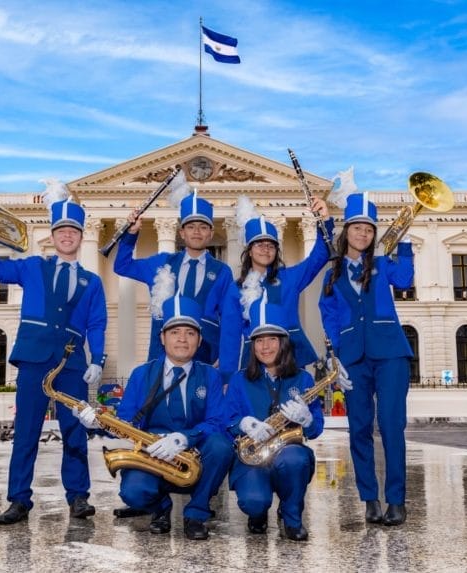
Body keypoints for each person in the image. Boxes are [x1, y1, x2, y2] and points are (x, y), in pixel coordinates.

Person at [0, 183, 107, 525]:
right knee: (26, 431)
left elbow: (97, 323)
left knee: (75, 432)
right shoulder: (33, 266)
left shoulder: (92, 282)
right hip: (34, 358)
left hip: (71, 363)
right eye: (61, 230)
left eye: (73, 231)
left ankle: (78, 497)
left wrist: (98, 360)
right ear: (52, 236)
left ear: (81, 237)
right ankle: (18, 500)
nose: (67, 235)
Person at [76, 295, 234, 540]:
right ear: (162, 337)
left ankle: (196, 513)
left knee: (221, 446)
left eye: (190, 333)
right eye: (175, 332)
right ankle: (161, 508)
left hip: (195, 456)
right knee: (133, 493)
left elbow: (218, 422)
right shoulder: (141, 374)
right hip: (153, 456)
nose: (182, 339)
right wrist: (97, 422)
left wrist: (183, 438)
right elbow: (126, 422)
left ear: (199, 340)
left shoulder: (210, 376)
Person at [318, 188, 414, 526]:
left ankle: (397, 501)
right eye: (357, 228)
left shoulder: (383, 262)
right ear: (347, 231)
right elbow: (328, 314)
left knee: (391, 425)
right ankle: (370, 499)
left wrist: (404, 242)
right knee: (358, 428)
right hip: (354, 358)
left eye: (369, 229)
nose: (363, 234)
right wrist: (336, 355)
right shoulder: (332, 272)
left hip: (390, 353)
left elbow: (405, 279)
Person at [222, 296, 324, 541]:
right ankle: (258, 512)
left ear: (284, 343)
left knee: (295, 459)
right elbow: (226, 419)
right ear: (252, 345)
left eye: (272, 339)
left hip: (287, 454)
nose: (265, 347)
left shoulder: (303, 379)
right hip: (251, 456)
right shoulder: (239, 379)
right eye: (259, 340)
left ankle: (291, 517)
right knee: (254, 502)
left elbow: (316, 429)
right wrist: (244, 424)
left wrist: (307, 420)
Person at [114, 182, 232, 365]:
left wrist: (224, 356)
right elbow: (122, 266)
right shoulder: (161, 263)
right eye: (191, 227)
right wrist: (131, 234)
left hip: (207, 355)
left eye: (203, 227)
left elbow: (229, 317)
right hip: (162, 355)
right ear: (182, 233)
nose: (197, 232)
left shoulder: (222, 271)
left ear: (210, 233)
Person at [218, 195, 334, 381]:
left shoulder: (289, 278)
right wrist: (227, 378)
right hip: (253, 360)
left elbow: (318, 257)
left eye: (271, 245)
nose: (266, 249)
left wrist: (324, 221)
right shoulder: (235, 289)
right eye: (260, 244)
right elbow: (230, 337)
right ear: (249, 250)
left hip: (291, 356)